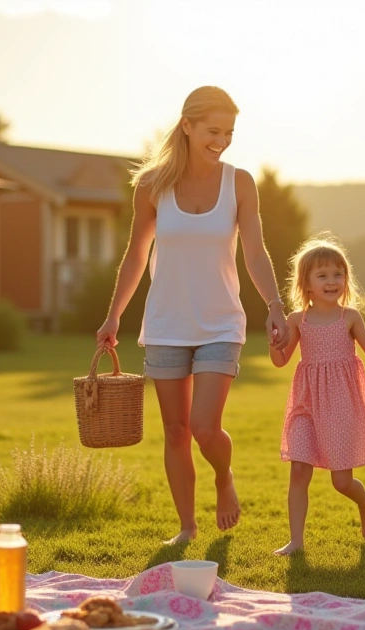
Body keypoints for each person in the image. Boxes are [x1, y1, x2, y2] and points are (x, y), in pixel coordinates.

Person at [96, 85, 289, 545]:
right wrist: (112, 317)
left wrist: (276, 306)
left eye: (229, 132)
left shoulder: (239, 182)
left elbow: (255, 252)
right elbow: (135, 256)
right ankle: (186, 527)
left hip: (221, 320)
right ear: (187, 126)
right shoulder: (152, 186)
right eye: (212, 131)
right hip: (166, 323)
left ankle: (224, 476)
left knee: (204, 425)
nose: (221, 140)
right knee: (176, 430)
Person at [268, 236, 365, 556]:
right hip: (306, 403)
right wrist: (274, 342)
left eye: (338, 274)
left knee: (341, 482)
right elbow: (281, 361)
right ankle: (296, 541)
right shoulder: (297, 320)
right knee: (299, 469)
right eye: (322, 275)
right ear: (305, 283)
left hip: (340, 405)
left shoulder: (349, 317)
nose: (332, 281)